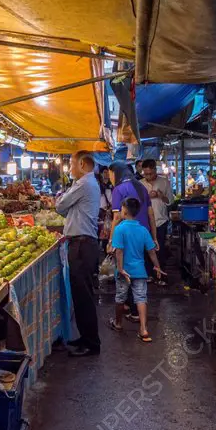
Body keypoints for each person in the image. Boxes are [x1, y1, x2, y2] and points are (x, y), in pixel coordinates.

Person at [56, 151, 102, 356]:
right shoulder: (87, 184)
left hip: (82, 245)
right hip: (84, 244)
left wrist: (61, 199)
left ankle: (91, 343)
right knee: (82, 294)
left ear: (82, 164)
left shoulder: (83, 184)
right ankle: (86, 338)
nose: (70, 168)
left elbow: (60, 206)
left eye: (72, 164)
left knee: (83, 295)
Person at [109, 197, 165, 343]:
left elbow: (119, 251)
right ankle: (143, 329)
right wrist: (157, 266)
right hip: (140, 271)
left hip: (124, 271)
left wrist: (120, 269)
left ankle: (118, 323)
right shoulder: (143, 229)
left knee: (120, 298)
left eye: (121, 209)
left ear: (125, 211)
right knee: (141, 298)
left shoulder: (120, 229)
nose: (120, 212)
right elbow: (151, 251)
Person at [107, 161, 157, 321]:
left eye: (110, 174)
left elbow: (116, 217)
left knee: (124, 272)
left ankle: (128, 310)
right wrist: (154, 237)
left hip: (125, 236)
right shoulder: (141, 187)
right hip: (143, 235)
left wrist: (110, 240)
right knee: (138, 269)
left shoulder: (119, 189)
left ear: (116, 173)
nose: (109, 178)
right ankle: (135, 310)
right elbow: (151, 214)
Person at [139, 159, 172, 284]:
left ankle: (160, 275)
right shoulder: (140, 184)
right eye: (146, 174)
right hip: (144, 222)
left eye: (150, 174)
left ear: (155, 170)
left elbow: (170, 201)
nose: (148, 176)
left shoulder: (164, 182)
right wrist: (146, 196)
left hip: (160, 221)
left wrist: (160, 195)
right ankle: (148, 274)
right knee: (146, 249)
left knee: (160, 248)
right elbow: (135, 203)